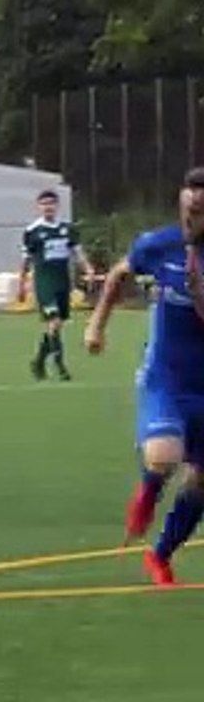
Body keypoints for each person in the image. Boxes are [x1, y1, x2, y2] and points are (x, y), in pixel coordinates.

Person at [85, 167, 204, 586]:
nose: (193, 217)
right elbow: (119, 274)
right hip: (165, 376)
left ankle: (161, 555)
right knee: (164, 455)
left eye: (202, 211)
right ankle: (150, 490)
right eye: (189, 207)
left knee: (201, 482)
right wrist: (96, 325)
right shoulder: (157, 245)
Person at [18, 190, 95, 381]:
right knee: (54, 321)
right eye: (44, 204)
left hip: (63, 282)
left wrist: (88, 269)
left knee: (56, 326)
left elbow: (77, 253)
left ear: (57, 205)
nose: (48, 207)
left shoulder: (67, 229)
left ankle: (38, 361)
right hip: (45, 283)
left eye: (51, 203)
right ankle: (60, 364)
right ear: (39, 207)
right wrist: (21, 284)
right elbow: (26, 260)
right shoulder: (32, 232)